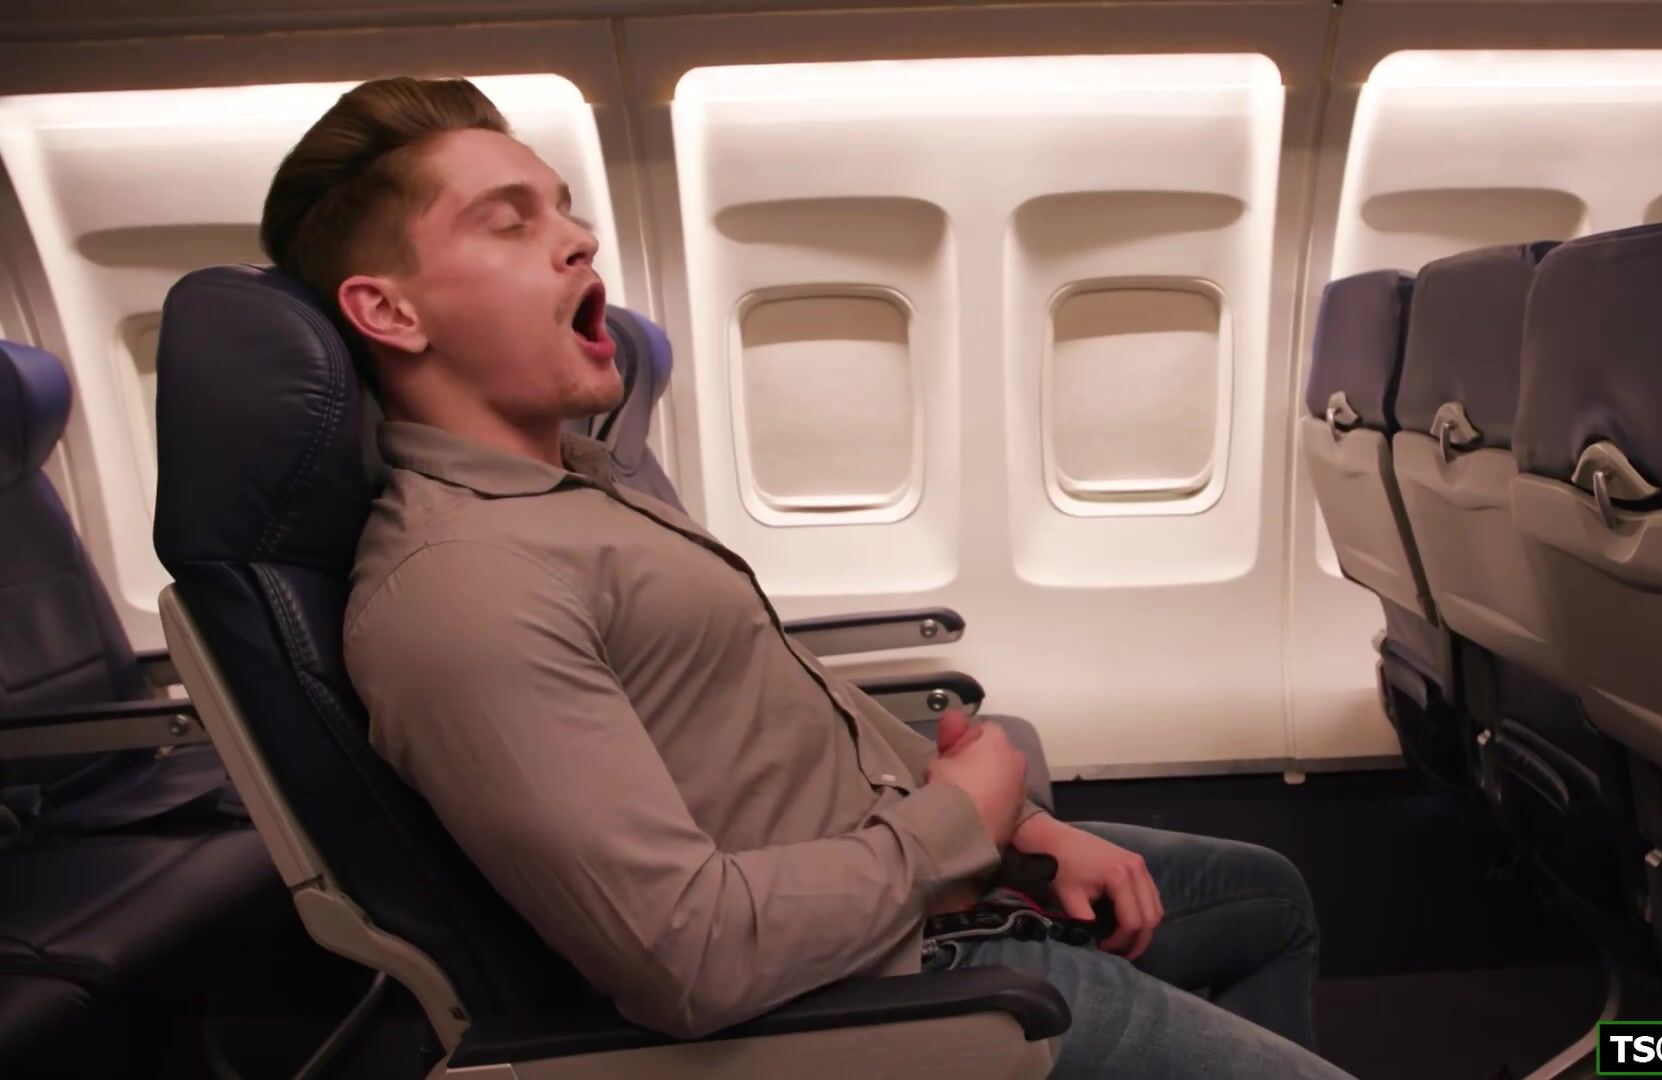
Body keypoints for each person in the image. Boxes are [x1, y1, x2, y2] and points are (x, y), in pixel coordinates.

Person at [262, 75, 1351, 1079]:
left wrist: (1022, 827)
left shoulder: (580, 490)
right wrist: (956, 824)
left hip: (928, 898)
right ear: (390, 312)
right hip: (879, 996)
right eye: (510, 222)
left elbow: (780, 703)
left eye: (563, 209)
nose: (581, 239)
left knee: (1268, 898)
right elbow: (686, 959)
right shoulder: (460, 591)